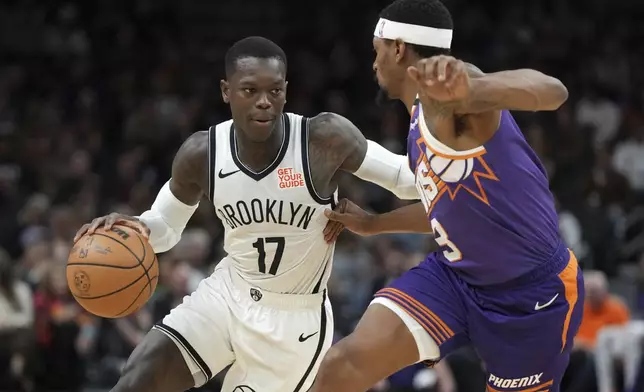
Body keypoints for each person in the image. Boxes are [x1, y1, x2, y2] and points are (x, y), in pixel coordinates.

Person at [73, 36, 421, 392]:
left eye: (274, 91)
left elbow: (405, 179)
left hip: (292, 322)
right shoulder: (202, 152)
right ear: (226, 91)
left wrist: (459, 157)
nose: (264, 102)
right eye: (250, 90)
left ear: (286, 90)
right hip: (227, 294)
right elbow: (165, 227)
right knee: (137, 377)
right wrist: (136, 227)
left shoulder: (323, 139)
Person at [309, 1, 583, 391]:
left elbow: (553, 91)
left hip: (530, 296)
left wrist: (478, 87)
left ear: (398, 48)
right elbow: (448, 208)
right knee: (343, 365)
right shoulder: (419, 118)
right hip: (456, 279)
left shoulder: (453, 95)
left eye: (377, 50)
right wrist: (375, 224)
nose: (374, 62)